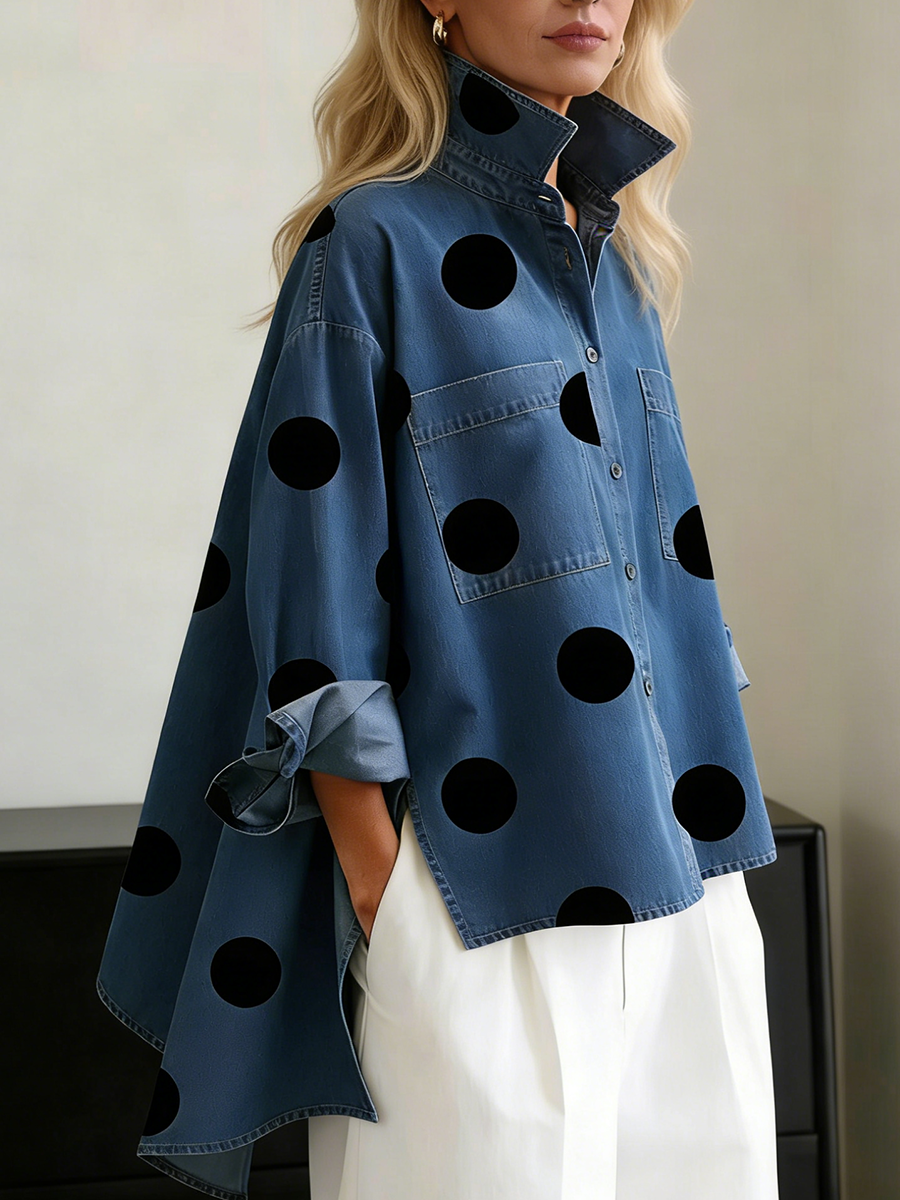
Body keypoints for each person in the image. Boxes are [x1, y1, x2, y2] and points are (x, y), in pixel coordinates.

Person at [96, 2, 780, 1198]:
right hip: (483, 889)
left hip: (692, 874)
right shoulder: (371, 244)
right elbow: (312, 602)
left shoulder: (618, 250)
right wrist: (389, 896)